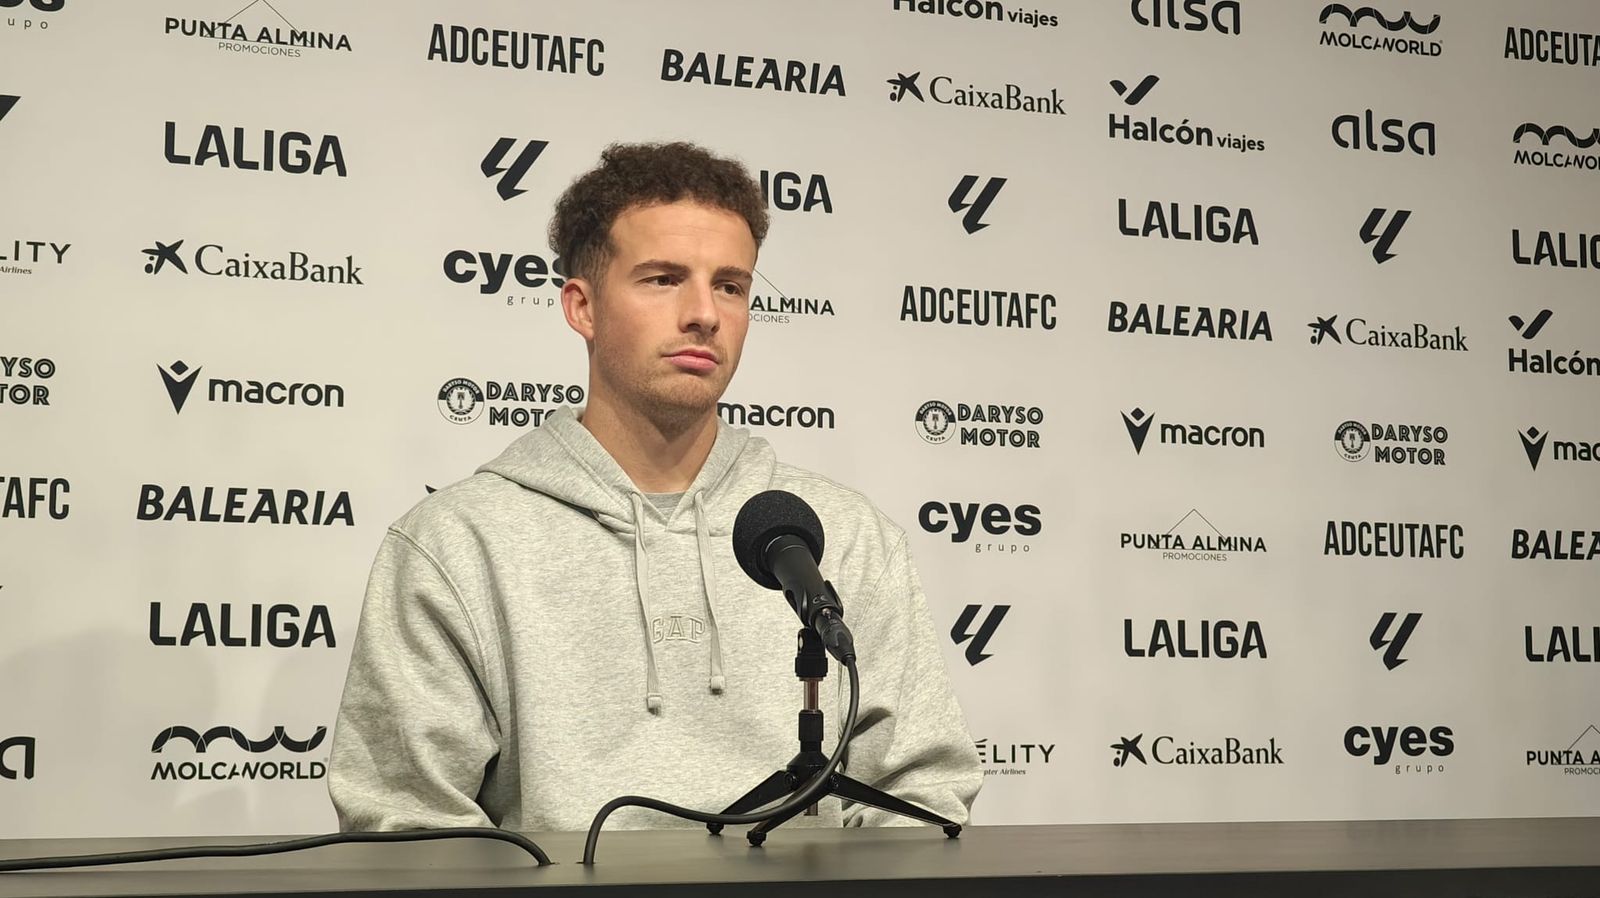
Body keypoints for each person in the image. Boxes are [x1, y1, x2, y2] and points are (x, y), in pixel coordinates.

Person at [328, 142, 982, 832]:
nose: (704, 313)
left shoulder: (845, 536)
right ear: (582, 307)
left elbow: (921, 791)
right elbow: (408, 822)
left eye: (730, 286)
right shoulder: (457, 543)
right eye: (664, 279)